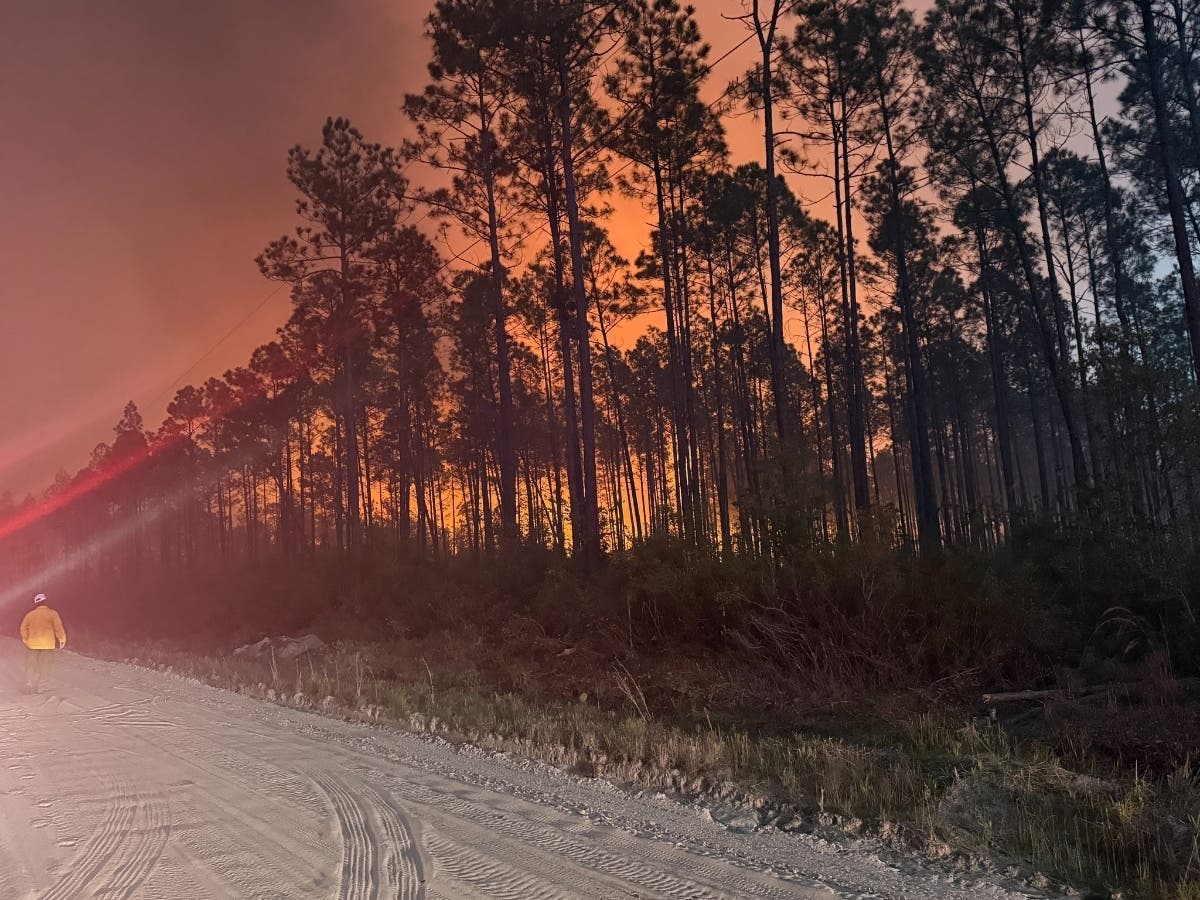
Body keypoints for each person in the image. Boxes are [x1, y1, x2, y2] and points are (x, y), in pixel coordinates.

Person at [20, 592, 66, 694]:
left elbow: (23, 629)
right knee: (45, 667)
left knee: (31, 666)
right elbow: (58, 628)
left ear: (35, 603)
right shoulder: (52, 613)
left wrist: (26, 640)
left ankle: (29, 685)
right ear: (45, 601)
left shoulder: (30, 615)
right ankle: (41, 687)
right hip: (47, 645)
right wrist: (62, 640)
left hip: (32, 645)